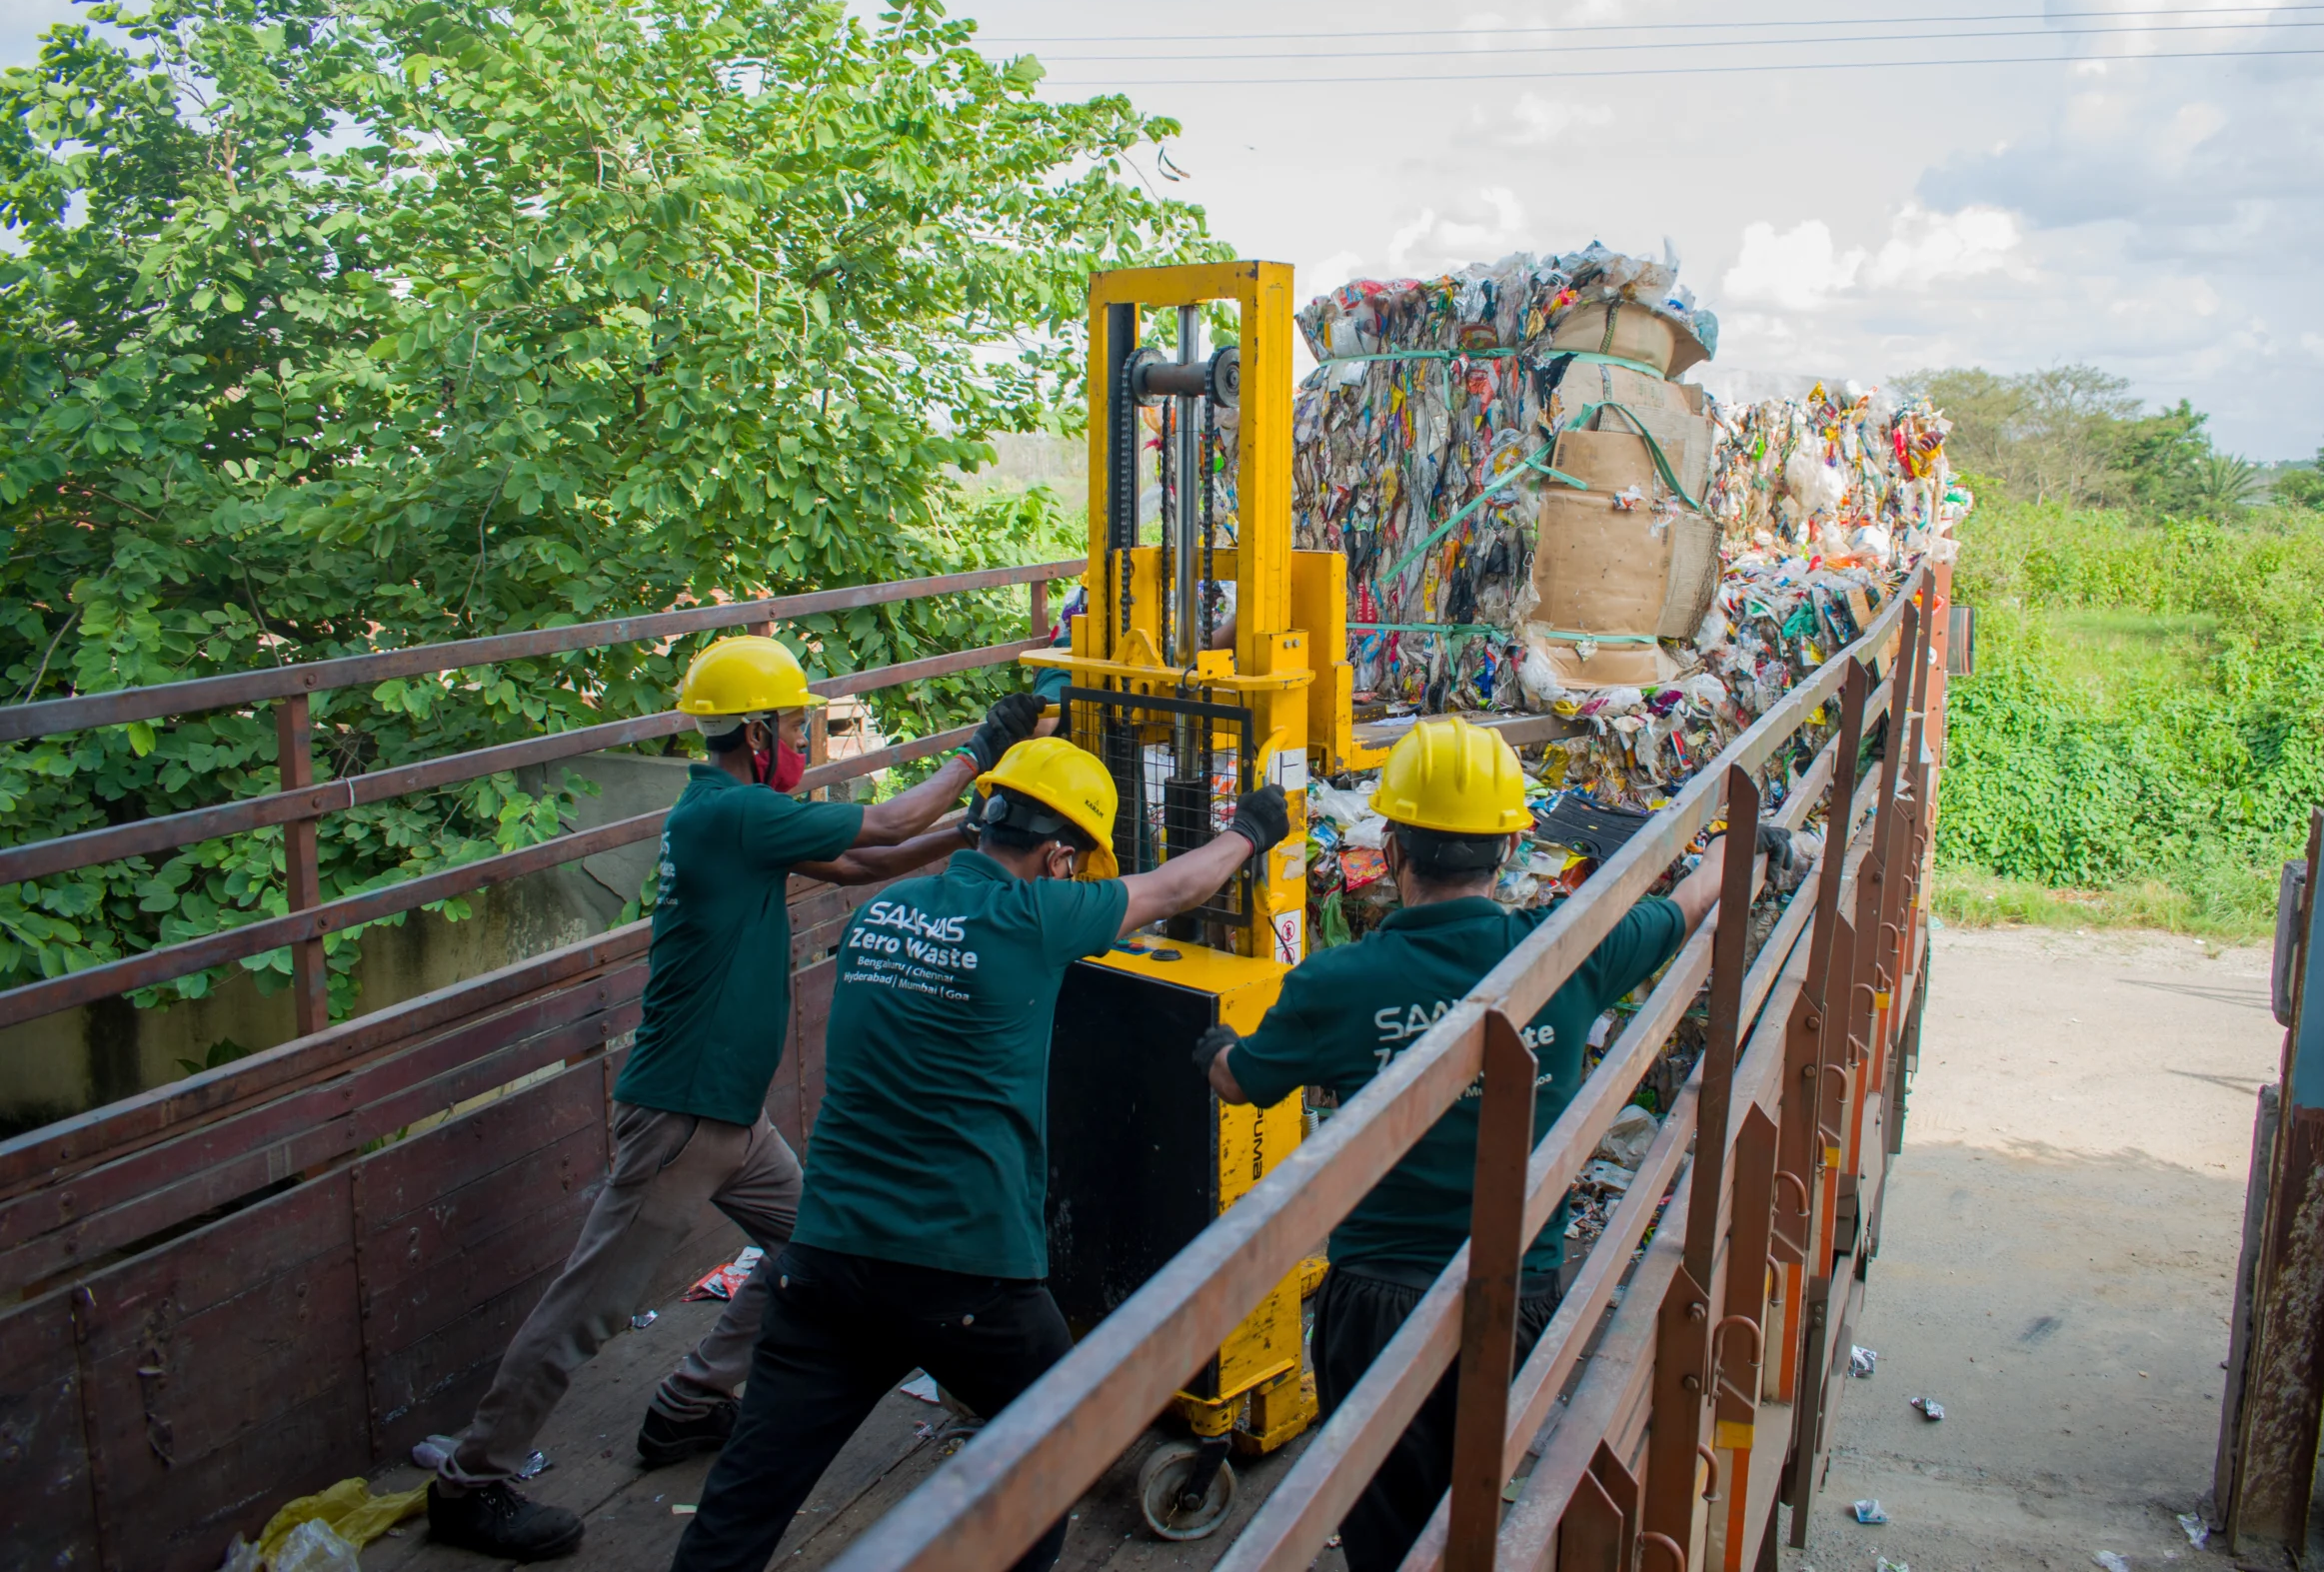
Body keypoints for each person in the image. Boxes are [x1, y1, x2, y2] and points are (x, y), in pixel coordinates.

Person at [428, 634, 1049, 1561]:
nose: (805, 739)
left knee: (815, 1249)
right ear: (757, 733)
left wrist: (974, 832)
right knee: (587, 1305)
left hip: (728, 1115)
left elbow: (856, 866)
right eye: (796, 724)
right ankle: (471, 1481)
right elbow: (880, 827)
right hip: (684, 1113)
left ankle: (690, 1400)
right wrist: (981, 748)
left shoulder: (736, 814)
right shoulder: (732, 816)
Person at [668, 736, 1293, 1572]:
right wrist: (1252, 829)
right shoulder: (1033, 917)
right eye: (1072, 865)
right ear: (1057, 854)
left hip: (825, 1262)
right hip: (970, 1277)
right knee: (1049, 1460)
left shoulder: (877, 917)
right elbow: (1181, 884)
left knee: (742, 1506)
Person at [1192, 716, 1735, 1572]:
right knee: (1486, 1519)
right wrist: (1751, 852)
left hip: (1374, 1310)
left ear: (1397, 844)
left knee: (1388, 1539)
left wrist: (1215, 1048)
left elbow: (1241, 1080)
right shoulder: (1566, 956)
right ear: (1511, 847)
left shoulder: (1337, 983)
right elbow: (1684, 907)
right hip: (1519, 1298)